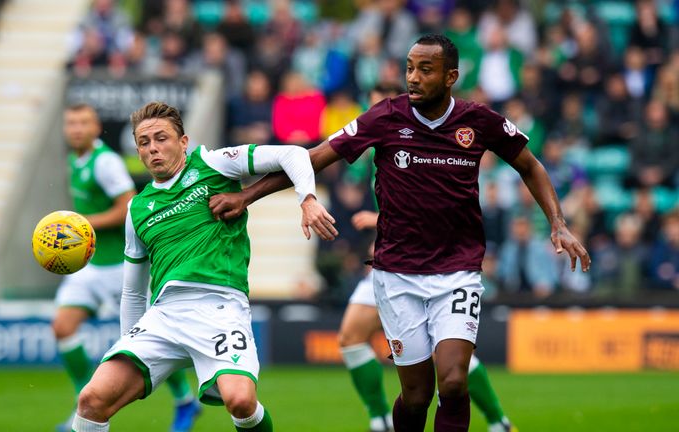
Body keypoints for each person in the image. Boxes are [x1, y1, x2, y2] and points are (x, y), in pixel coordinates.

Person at [209, 34, 590, 432]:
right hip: (397, 275)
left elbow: (529, 165)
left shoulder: (479, 121)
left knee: (455, 381)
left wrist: (558, 223)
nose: (413, 77)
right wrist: (248, 196)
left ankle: (492, 418)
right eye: (409, 67)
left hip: (457, 269)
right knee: (416, 396)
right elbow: (316, 157)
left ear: (450, 76)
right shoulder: (385, 116)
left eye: (426, 69)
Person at [71, 102, 334, 432]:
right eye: (144, 142)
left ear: (183, 142)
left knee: (240, 401)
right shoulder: (137, 209)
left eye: (161, 138)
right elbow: (133, 291)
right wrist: (133, 349)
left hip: (220, 309)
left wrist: (306, 199)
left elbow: (293, 155)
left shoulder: (212, 164)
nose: (153, 148)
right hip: (164, 315)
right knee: (91, 400)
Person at [341, 81, 519, 432]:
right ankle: (379, 418)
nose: (373, 116)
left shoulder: (423, 134)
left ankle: (498, 419)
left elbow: (434, 206)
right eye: (369, 107)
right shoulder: (374, 148)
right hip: (392, 266)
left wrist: (381, 222)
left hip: (442, 265)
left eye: (379, 106)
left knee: (450, 365)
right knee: (350, 337)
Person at [54, 103, 200, 432]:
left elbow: (128, 208)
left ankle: (185, 400)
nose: (76, 128)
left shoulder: (105, 163)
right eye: (71, 123)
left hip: (121, 265)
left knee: (153, 339)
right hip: (90, 267)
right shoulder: (73, 161)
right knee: (63, 327)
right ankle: (83, 401)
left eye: (84, 122)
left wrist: (80, 224)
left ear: (95, 128)